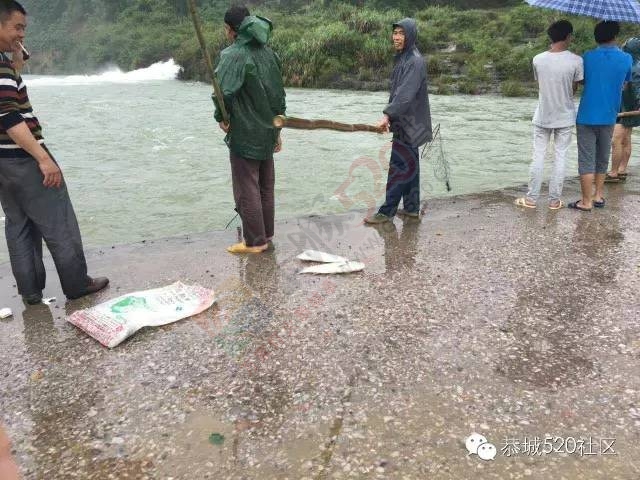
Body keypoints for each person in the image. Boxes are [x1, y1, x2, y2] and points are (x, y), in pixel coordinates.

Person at [0, 0, 108, 303]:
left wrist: (16, 64)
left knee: (19, 224)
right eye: (17, 27)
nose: (21, 34)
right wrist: (44, 158)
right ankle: (76, 284)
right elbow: (9, 117)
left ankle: (31, 293)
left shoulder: (5, 65)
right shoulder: (0, 67)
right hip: (23, 157)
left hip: (3, 162)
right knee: (59, 220)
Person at [213, 6, 286, 254]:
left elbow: (223, 93)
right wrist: (277, 131)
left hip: (245, 131)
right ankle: (266, 234)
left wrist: (221, 117)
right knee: (265, 185)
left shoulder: (234, 54)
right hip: (268, 129)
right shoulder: (268, 53)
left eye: (225, 28)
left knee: (247, 187)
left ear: (231, 30)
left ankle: (255, 242)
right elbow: (279, 96)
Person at [364, 18, 432, 224]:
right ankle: (411, 209)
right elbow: (397, 93)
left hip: (410, 124)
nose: (396, 37)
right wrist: (392, 116)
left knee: (399, 167)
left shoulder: (414, 61)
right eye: (395, 33)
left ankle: (387, 212)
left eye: (401, 33)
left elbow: (404, 95)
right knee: (410, 166)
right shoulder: (404, 58)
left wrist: (387, 115)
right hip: (408, 123)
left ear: (410, 36)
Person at [515, 20, 583, 210]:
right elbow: (574, 88)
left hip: (543, 115)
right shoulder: (576, 60)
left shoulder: (538, 59)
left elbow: (541, 86)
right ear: (568, 36)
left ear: (550, 37)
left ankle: (531, 199)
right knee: (560, 157)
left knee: (538, 156)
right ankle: (554, 201)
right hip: (565, 115)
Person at [570, 21, 632, 211]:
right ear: (615, 36)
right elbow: (625, 84)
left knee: (586, 158)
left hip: (587, 114)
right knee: (603, 156)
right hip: (609, 115)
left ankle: (585, 201)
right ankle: (598, 196)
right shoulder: (626, 58)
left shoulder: (587, 57)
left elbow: (582, 81)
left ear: (596, 37)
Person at [607, 37, 640, 183]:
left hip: (627, 107)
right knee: (626, 139)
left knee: (617, 140)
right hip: (632, 106)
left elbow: (635, 88)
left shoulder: (632, 66)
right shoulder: (635, 64)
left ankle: (614, 172)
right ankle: (622, 169)